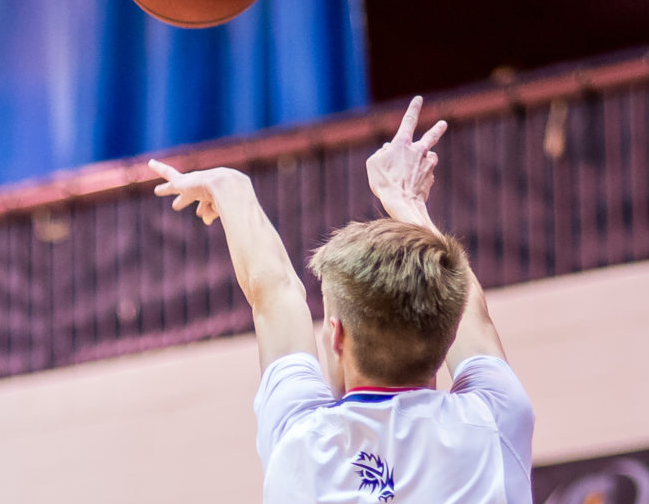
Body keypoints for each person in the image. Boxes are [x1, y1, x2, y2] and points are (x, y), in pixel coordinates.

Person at [149, 96, 534, 504]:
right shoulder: (494, 422)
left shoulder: (299, 440)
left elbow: (275, 291)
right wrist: (404, 201)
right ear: (449, 329)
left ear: (336, 335)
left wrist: (231, 187)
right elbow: (471, 308)